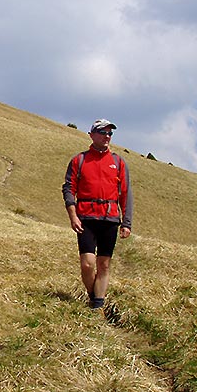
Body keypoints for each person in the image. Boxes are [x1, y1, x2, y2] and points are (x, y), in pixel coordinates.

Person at [62, 118, 133, 316]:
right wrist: (73, 215)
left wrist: (126, 223)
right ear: (92, 134)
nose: (107, 136)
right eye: (103, 132)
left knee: (104, 264)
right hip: (86, 218)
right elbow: (69, 189)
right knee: (87, 264)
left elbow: (125, 193)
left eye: (110, 133)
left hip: (110, 220)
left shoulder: (118, 162)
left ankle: (97, 307)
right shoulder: (79, 160)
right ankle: (94, 297)